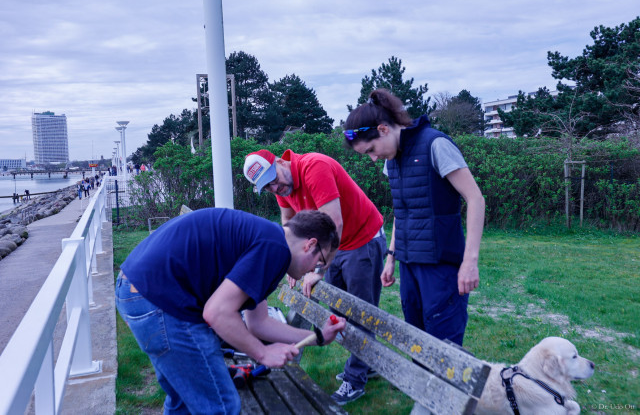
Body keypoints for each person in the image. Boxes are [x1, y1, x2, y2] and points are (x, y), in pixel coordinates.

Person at [116, 208, 345, 414]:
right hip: (158, 300)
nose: (312, 272)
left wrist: (318, 337)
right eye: (318, 263)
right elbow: (216, 313)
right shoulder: (275, 249)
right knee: (222, 407)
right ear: (310, 244)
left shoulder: (268, 239)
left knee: (184, 401)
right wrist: (262, 354)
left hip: (136, 290)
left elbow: (259, 324)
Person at [342, 88, 485, 347]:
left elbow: (476, 199)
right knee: (417, 344)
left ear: (384, 129)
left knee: (443, 348)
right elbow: (403, 212)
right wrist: (391, 257)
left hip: (441, 266)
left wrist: (470, 262)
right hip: (409, 266)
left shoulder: (436, 144)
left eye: (372, 149)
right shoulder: (392, 160)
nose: (373, 158)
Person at [243, 149, 386, 405]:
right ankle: (367, 363)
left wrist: (317, 270)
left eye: (275, 180)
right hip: (334, 245)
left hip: (361, 239)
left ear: (280, 162)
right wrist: (289, 263)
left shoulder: (313, 167)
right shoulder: (283, 188)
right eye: (268, 187)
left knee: (359, 312)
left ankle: (355, 380)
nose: (276, 188)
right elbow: (288, 222)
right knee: (339, 311)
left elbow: (335, 225)